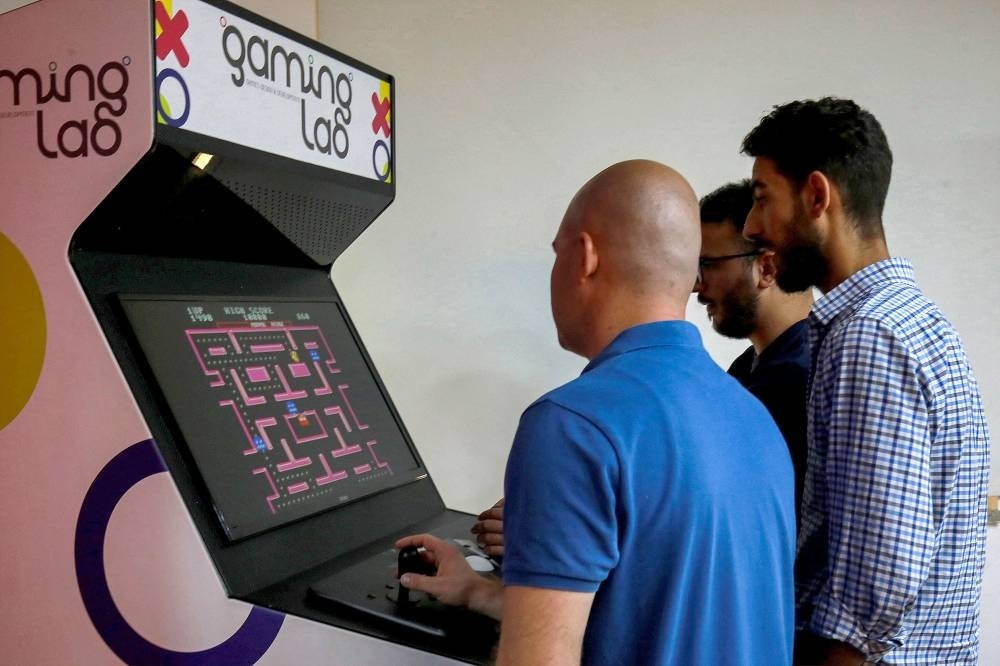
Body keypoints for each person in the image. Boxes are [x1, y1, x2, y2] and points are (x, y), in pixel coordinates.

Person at [398, 159, 795, 665]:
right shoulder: (751, 415)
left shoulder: (572, 424)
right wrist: (479, 592)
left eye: (557, 252)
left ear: (584, 256)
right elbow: (660, 618)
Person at [741, 97, 991, 665]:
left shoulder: (868, 335)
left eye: (762, 200)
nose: (754, 228)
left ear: (817, 196)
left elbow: (880, 576)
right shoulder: (917, 320)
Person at [695, 180, 812, 520]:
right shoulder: (748, 369)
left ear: (767, 268)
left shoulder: (803, 379)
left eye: (709, 264)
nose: (698, 286)